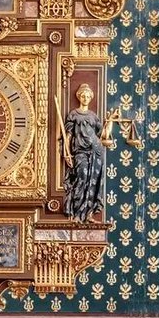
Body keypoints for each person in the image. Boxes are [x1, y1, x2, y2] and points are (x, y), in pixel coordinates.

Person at [62, 83, 114, 223]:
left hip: (96, 150)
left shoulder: (93, 116)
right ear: (79, 97)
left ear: (91, 97)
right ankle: (77, 214)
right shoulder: (74, 114)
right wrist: (66, 153)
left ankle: (88, 214)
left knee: (93, 182)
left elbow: (103, 135)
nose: (85, 98)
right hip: (80, 151)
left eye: (88, 96)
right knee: (82, 177)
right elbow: (68, 136)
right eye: (83, 96)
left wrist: (110, 121)